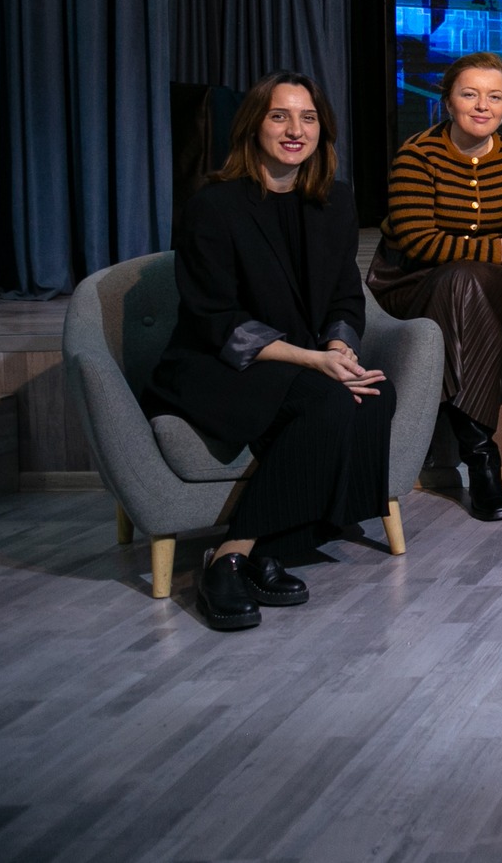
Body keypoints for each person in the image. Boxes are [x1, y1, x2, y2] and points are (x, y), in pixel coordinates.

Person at [146, 72, 395, 631]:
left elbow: (345, 295)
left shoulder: (335, 201)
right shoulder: (213, 205)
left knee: (375, 394)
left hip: (301, 359)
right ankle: (229, 558)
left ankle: (271, 546)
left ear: (322, 130)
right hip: (218, 364)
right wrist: (314, 361)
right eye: (279, 116)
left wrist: (338, 348)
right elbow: (215, 319)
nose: (294, 129)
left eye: (308, 118)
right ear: (253, 126)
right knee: (328, 400)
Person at [368, 52, 502, 522]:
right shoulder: (417, 155)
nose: (482, 106)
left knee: (470, 282)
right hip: (410, 281)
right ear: (447, 102)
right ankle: (482, 456)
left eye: (494, 97)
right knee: (463, 280)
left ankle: (477, 454)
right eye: (470, 94)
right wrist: (495, 249)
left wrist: (497, 257)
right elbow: (418, 242)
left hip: (485, 286)